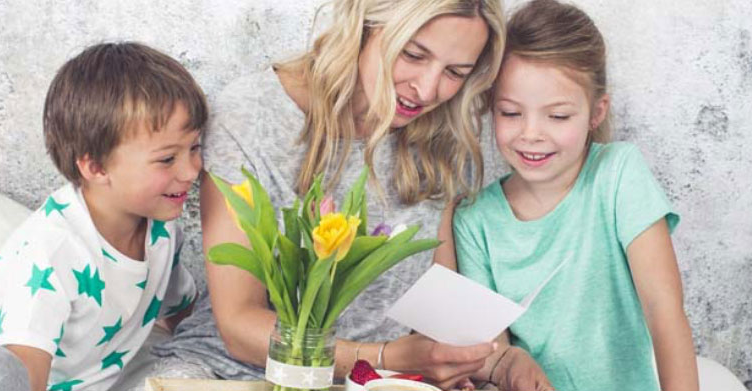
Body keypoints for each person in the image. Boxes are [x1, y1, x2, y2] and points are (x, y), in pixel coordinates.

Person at [144, 0, 509, 389]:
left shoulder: (443, 137)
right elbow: (239, 325)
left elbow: (441, 299)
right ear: (365, 26)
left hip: (382, 382)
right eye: (413, 54)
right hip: (237, 373)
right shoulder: (253, 117)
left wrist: (494, 363)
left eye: (455, 72)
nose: (428, 88)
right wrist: (386, 357)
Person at [0, 42, 205, 391]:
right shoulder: (53, 249)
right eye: (167, 159)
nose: (191, 170)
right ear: (95, 166)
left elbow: (185, 314)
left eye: (194, 148)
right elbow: (24, 374)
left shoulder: (162, 234)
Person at [450, 1, 700, 390]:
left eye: (558, 116)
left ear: (596, 112)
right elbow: (494, 352)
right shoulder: (473, 219)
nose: (531, 133)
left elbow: (664, 311)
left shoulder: (618, 175)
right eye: (511, 113)